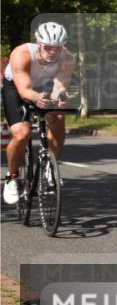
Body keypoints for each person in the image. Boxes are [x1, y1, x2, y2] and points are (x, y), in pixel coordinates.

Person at [3, 22, 75, 205]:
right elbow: (24, 89)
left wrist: (61, 96)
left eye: (57, 47)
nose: (52, 51)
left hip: (45, 85)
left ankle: (49, 167)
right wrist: (36, 98)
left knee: (58, 118)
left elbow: (60, 85)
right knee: (22, 133)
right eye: (48, 46)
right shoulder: (22, 54)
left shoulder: (67, 58)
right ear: (38, 42)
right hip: (17, 88)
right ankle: (12, 177)